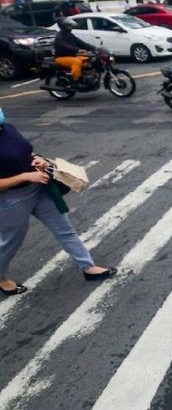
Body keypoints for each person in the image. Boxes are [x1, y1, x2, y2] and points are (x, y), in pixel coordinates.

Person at [0, 108, 117, 295]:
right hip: (12, 200)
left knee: (65, 229)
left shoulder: (7, 128)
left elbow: (25, 152)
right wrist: (24, 176)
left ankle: (88, 267)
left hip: (39, 190)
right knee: (10, 242)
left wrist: (37, 160)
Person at [53, 17, 96, 82]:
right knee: (77, 62)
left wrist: (94, 48)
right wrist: (77, 50)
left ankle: (86, 77)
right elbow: (65, 46)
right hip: (61, 57)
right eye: (68, 25)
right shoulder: (59, 36)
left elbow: (81, 43)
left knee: (88, 59)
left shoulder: (70, 35)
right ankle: (76, 80)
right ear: (63, 26)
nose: (70, 27)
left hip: (72, 56)